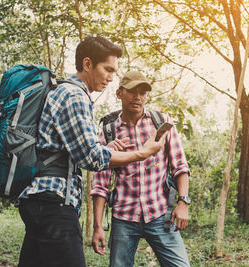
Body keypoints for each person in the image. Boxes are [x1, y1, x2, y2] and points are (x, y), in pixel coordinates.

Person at [16, 36, 166, 267]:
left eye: (114, 71)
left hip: (38, 200)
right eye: (107, 69)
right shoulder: (75, 96)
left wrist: (104, 148)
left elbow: (71, 149)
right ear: (87, 64)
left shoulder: (62, 92)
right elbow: (92, 159)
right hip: (55, 204)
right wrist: (143, 153)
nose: (110, 78)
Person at [91, 70, 191, 267]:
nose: (138, 97)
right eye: (132, 91)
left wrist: (183, 202)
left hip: (160, 213)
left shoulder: (162, 123)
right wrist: (97, 227)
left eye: (143, 92)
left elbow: (180, 165)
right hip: (124, 217)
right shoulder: (109, 132)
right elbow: (100, 185)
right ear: (119, 93)